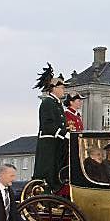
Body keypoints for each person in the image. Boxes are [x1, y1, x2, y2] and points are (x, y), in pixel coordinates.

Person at [32, 65, 69, 194]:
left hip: (56, 141)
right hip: (49, 142)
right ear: (54, 88)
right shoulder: (48, 103)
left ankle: (56, 188)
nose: (64, 90)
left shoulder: (56, 103)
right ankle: (46, 192)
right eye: (62, 87)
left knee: (57, 168)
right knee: (49, 170)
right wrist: (64, 134)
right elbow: (48, 124)